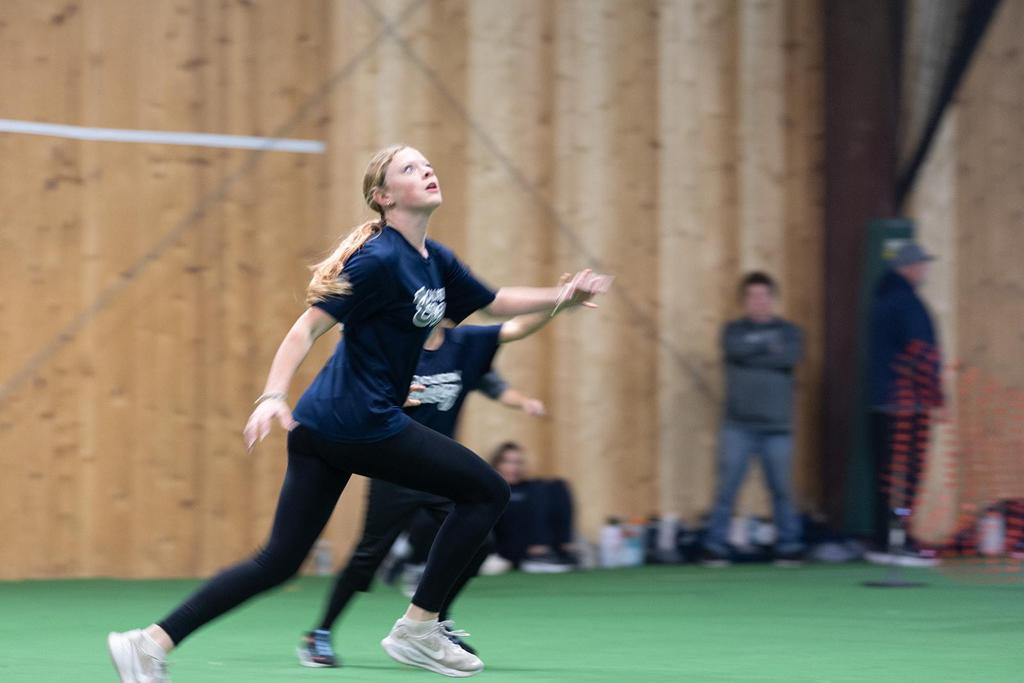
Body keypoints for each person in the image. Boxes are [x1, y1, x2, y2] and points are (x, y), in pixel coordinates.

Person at [106, 144, 611, 681]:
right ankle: (418, 628)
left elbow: (495, 302)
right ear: (384, 196)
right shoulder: (379, 259)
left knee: (278, 561)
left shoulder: (434, 260)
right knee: (487, 491)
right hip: (358, 421)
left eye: (427, 163)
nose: (427, 170)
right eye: (410, 168)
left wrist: (561, 297)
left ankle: (149, 643)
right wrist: (272, 395)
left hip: (322, 425)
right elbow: (306, 328)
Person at [298, 313, 557, 669]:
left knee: (481, 543)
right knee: (368, 556)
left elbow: (496, 385)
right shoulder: (397, 348)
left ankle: (431, 622)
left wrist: (523, 401)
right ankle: (320, 632)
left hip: (439, 473)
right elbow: (362, 390)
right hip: (394, 471)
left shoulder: (462, 349)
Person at [701, 272, 805, 567]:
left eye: (763, 295)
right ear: (744, 300)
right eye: (752, 296)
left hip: (778, 427)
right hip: (738, 425)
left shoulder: (789, 332)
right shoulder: (733, 331)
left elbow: (789, 357)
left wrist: (754, 351)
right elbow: (736, 350)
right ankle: (715, 546)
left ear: (773, 299)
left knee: (781, 489)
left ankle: (789, 546)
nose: (758, 301)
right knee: (727, 488)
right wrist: (767, 347)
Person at [866, 242, 943, 566]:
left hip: (881, 404)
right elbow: (920, 353)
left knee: (886, 478)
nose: (924, 270)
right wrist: (935, 395)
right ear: (908, 267)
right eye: (921, 264)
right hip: (906, 406)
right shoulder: (907, 303)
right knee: (905, 477)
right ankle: (898, 543)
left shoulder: (881, 301)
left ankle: (884, 541)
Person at [489, 441, 578, 571]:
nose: (513, 467)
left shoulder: (530, 487)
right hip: (509, 545)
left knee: (558, 485)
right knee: (537, 491)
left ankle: (564, 548)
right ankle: (538, 552)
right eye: (508, 462)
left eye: (518, 462)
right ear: (497, 464)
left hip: (544, 543)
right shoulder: (493, 490)